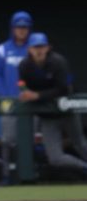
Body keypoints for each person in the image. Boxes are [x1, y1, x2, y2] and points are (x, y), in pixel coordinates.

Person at [18, 33, 87, 175]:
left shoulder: (58, 62)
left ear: (48, 47)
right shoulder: (24, 66)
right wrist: (24, 92)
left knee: (80, 144)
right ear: (29, 49)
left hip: (67, 111)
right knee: (55, 158)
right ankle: (84, 167)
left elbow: (63, 88)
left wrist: (37, 95)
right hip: (48, 116)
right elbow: (22, 84)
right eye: (35, 47)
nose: (39, 50)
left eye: (42, 47)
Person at [0, 11, 33, 184]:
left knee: (30, 138)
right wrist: (4, 96)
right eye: (19, 27)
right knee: (7, 140)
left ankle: (29, 174)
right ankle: (7, 175)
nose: (22, 30)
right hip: (9, 101)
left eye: (25, 27)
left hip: (30, 101)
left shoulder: (34, 47)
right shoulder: (3, 49)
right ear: (13, 29)